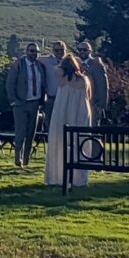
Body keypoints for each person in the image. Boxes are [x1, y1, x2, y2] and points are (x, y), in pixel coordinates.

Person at [44, 53, 96, 190]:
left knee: (60, 142)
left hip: (62, 113)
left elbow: (55, 68)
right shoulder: (84, 80)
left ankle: (58, 175)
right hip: (81, 113)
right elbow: (89, 96)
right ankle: (80, 178)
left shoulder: (61, 79)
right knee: (80, 143)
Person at [4, 39, 49, 167]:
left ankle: (26, 160)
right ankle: (17, 158)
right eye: (31, 51)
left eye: (36, 52)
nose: (34, 53)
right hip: (21, 104)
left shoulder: (40, 66)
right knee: (20, 132)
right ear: (26, 52)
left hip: (35, 104)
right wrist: (13, 101)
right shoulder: (18, 65)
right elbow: (10, 84)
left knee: (31, 133)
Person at [78, 40, 110, 121]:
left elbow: (102, 86)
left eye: (85, 50)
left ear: (90, 51)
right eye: (80, 50)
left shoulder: (97, 65)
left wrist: (100, 105)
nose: (82, 52)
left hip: (93, 104)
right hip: (79, 104)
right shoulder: (76, 65)